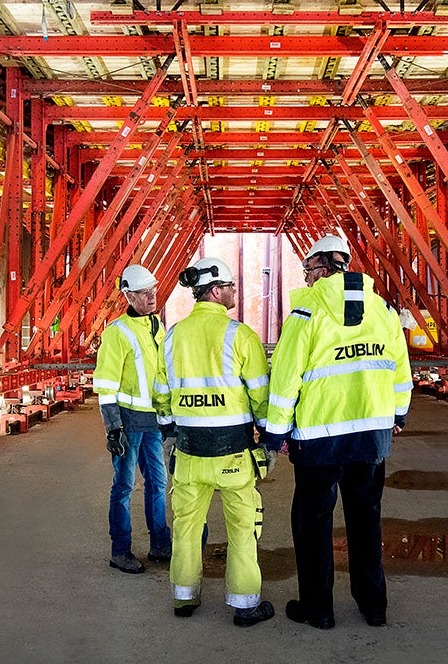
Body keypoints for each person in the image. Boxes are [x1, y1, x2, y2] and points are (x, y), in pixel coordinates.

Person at [263, 235, 412, 630]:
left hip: (319, 439)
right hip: (370, 437)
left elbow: (285, 378)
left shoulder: (307, 312)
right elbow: (400, 370)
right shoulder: (382, 310)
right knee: (366, 520)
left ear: (324, 268)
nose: (307, 278)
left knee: (312, 524)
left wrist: (275, 433)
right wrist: (398, 414)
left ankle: (319, 610)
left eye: (309, 270)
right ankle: (374, 606)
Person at [152, 257, 276, 627]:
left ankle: (184, 598)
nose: (236, 292)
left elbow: (162, 394)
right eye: (232, 287)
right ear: (217, 290)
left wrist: (170, 432)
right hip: (234, 456)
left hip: (188, 454)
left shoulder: (172, 335)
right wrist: (271, 439)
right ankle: (245, 605)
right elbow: (260, 396)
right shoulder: (241, 335)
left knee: (187, 529)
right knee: (242, 531)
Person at [95, 264, 173, 574]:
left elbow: (162, 377)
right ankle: (120, 551)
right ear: (129, 296)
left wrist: (168, 416)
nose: (152, 296)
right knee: (124, 486)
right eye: (144, 292)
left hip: (152, 421)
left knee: (158, 482)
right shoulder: (118, 332)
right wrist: (113, 427)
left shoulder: (157, 327)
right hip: (128, 422)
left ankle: (159, 543)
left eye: (153, 290)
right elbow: (105, 384)